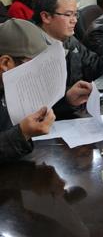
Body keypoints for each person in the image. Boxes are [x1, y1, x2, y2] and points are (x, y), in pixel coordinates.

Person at [0, 19, 92, 161]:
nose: (37, 73)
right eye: (33, 65)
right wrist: (22, 134)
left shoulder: (13, 81)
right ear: (6, 63)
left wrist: (67, 99)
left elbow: (32, 108)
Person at [32, 0, 103, 92]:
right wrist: (68, 97)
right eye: (68, 15)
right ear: (46, 17)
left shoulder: (69, 39)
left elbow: (94, 65)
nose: (74, 20)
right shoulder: (31, 50)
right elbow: (39, 94)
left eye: (75, 14)